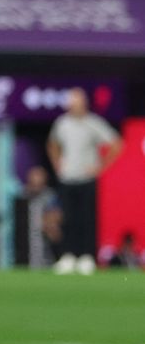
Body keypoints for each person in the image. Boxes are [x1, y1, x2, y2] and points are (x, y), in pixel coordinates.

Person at [47, 88, 122, 275]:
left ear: (84, 103)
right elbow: (52, 144)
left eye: (76, 100)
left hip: (86, 178)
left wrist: (100, 167)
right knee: (68, 219)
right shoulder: (62, 123)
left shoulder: (93, 123)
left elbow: (116, 143)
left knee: (87, 219)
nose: (72, 104)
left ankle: (87, 257)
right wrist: (57, 163)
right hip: (67, 178)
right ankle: (68, 256)